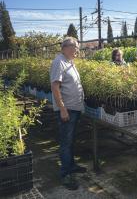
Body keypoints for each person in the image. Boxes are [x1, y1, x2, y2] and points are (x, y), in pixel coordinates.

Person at [50, 37, 86, 190]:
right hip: (67, 110)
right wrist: (63, 109)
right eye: (75, 47)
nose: (77, 50)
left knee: (70, 141)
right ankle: (65, 174)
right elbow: (55, 87)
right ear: (66, 47)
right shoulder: (59, 61)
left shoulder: (69, 62)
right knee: (66, 143)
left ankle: (71, 166)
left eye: (77, 48)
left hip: (74, 109)